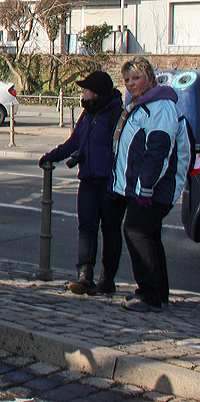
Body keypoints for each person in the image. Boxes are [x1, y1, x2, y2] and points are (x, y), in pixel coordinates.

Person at [111, 56, 190, 312]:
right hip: (146, 187)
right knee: (150, 236)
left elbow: (158, 149)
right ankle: (158, 293)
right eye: (127, 80)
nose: (131, 84)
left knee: (135, 231)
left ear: (149, 78)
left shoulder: (160, 106)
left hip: (156, 188)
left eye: (136, 78)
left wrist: (146, 186)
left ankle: (149, 295)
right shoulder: (143, 105)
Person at [39, 71, 125, 295]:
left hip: (109, 182)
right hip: (87, 180)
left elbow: (121, 152)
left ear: (95, 93)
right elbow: (74, 142)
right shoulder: (87, 114)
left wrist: (117, 182)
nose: (83, 92)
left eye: (86, 89)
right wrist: (52, 156)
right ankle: (84, 275)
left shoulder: (115, 114)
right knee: (86, 228)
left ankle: (107, 279)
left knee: (110, 230)